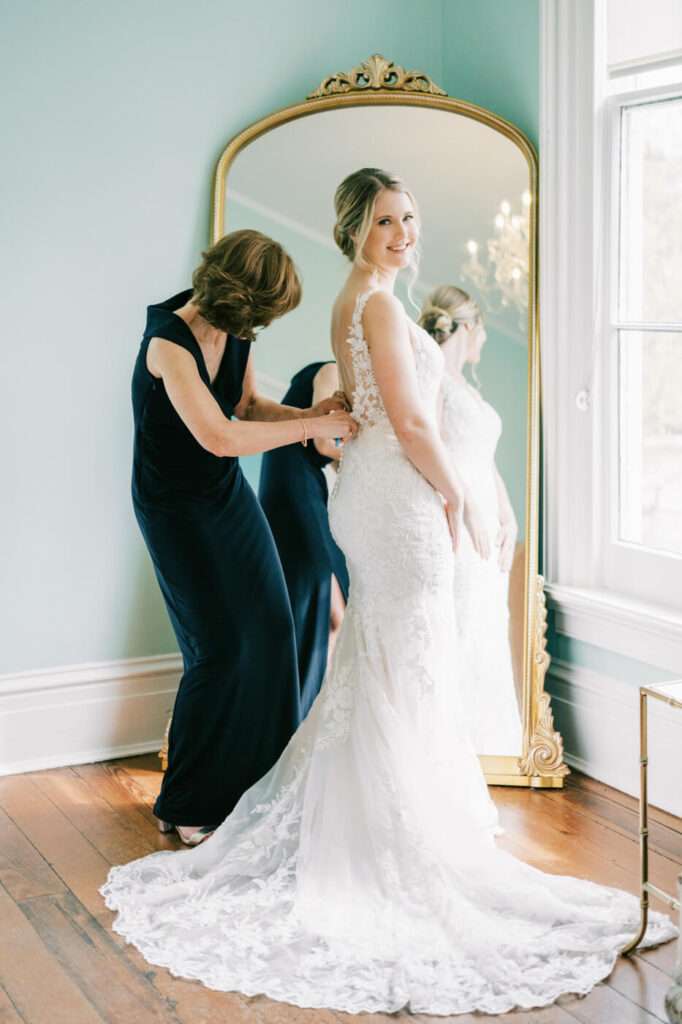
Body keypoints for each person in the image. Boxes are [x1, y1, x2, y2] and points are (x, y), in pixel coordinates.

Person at [102, 174, 674, 1015]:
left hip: (332, 492)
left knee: (342, 646)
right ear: (356, 232)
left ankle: (336, 800)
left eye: (409, 217)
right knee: (326, 652)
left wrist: (322, 413)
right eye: (385, 220)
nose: (403, 232)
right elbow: (336, 427)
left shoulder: (331, 307)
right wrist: (460, 494)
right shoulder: (246, 328)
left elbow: (265, 401)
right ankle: (221, 800)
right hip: (280, 497)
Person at [129, 229, 356, 846]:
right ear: (238, 294)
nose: (262, 326)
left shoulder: (235, 328)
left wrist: (315, 418)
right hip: (173, 507)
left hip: (225, 496)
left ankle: (255, 789)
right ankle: (185, 802)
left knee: (273, 633)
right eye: (262, 313)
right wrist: (311, 424)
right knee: (221, 649)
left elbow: (250, 405)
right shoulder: (166, 346)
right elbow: (219, 435)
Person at [420, 289, 523, 754]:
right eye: (481, 329)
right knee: (459, 623)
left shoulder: (468, 387)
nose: (483, 338)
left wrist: (508, 514)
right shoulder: (434, 376)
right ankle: (451, 751)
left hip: (488, 519)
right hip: (460, 516)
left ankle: (491, 746)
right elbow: (437, 446)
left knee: (486, 624)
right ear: (467, 326)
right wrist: (475, 511)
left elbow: (486, 459)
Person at [259, 361, 349, 718]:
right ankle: (300, 713)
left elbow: (337, 458)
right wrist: (372, 449)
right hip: (289, 478)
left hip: (309, 483)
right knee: (322, 594)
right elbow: (325, 442)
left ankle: (311, 712)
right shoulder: (329, 370)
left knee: (330, 599)